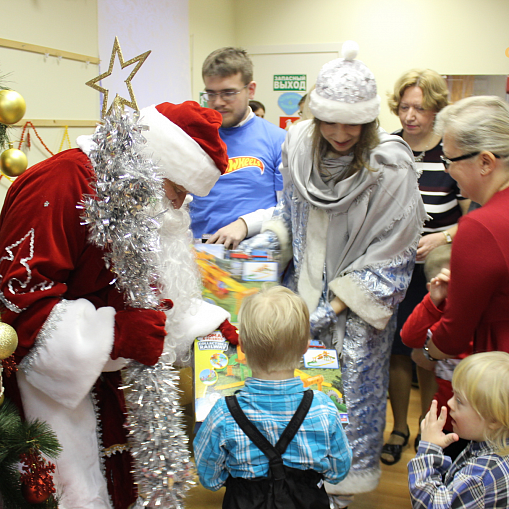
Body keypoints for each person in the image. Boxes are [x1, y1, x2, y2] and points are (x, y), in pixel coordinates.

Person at [0, 101, 233, 509]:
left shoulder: (138, 201)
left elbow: (150, 297)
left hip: (120, 395)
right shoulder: (61, 184)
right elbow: (16, 310)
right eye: (178, 189)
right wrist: (116, 334)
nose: (180, 205)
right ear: (146, 167)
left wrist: (206, 323)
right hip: (57, 407)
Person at [240, 41, 427, 508]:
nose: (342, 133)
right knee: (292, 405)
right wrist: (259, 236)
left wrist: (333, 307)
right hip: (298, 301)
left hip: (354, 319)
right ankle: (292, 485)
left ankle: (336, 496)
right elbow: (292, 214)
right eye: (332, 120)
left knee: (344, 409)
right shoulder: (299, 145)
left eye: (354, 123)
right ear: (316, 115)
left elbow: (394, 253)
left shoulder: (390, 164)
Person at [382, 69, 471, 465]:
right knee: (396, 352)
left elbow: (471, 217)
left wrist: (443, 237)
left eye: (420, 107)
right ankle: (398, 427)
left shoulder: (451, 151)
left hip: (435, 269)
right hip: (392, 267)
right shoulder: (386, 147)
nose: (410, 115)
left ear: (436, 109)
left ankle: (426, 426)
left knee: (427, 352)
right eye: (404, 107)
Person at [194, 286, 352, 508]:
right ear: (306, 347)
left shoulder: (223, 413)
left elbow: (209, 477)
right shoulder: (324, 409)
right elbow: (338, 471)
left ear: (243, 346)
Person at [422, 95, 509, 362]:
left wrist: (426, 352)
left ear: (485, 162)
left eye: (450, 161)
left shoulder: (482, 227)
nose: (446, 171)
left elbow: (454, 332)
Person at [190, 47, 286, 249]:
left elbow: (288, 209)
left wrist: (245, 224)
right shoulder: (194, 138)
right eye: (211, 94)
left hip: (254, 261)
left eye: (228, 93)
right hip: (199, 259)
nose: (217, 102)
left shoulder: (279, 140)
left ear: (250, 90)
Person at [408, 351, 509, 508]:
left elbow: (430, 505)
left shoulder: (480, 475)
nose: (449, 403)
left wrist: (428, 450)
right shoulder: (491, 444)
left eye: (459, 401)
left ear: (494, 420)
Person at [401, 244, 470, 461]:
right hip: (446, 415)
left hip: (481, 415)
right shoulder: (436, 315)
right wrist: (432, 301)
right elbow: (409, 337)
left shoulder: (476, 313)